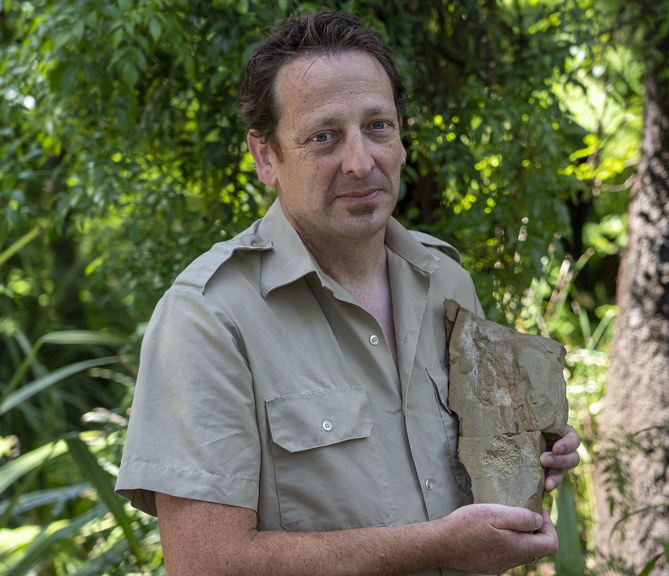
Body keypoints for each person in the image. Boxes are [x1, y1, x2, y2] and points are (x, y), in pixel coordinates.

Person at [115, 10, 581, 576]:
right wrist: (438, 545)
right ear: (266, 156)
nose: (361, 163)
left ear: (402, 138)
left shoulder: (446, 281)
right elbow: (206, 564)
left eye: (378, 126)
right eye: (324, 136)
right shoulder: (209, 316)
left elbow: (469, 484)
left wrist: (529, 459)